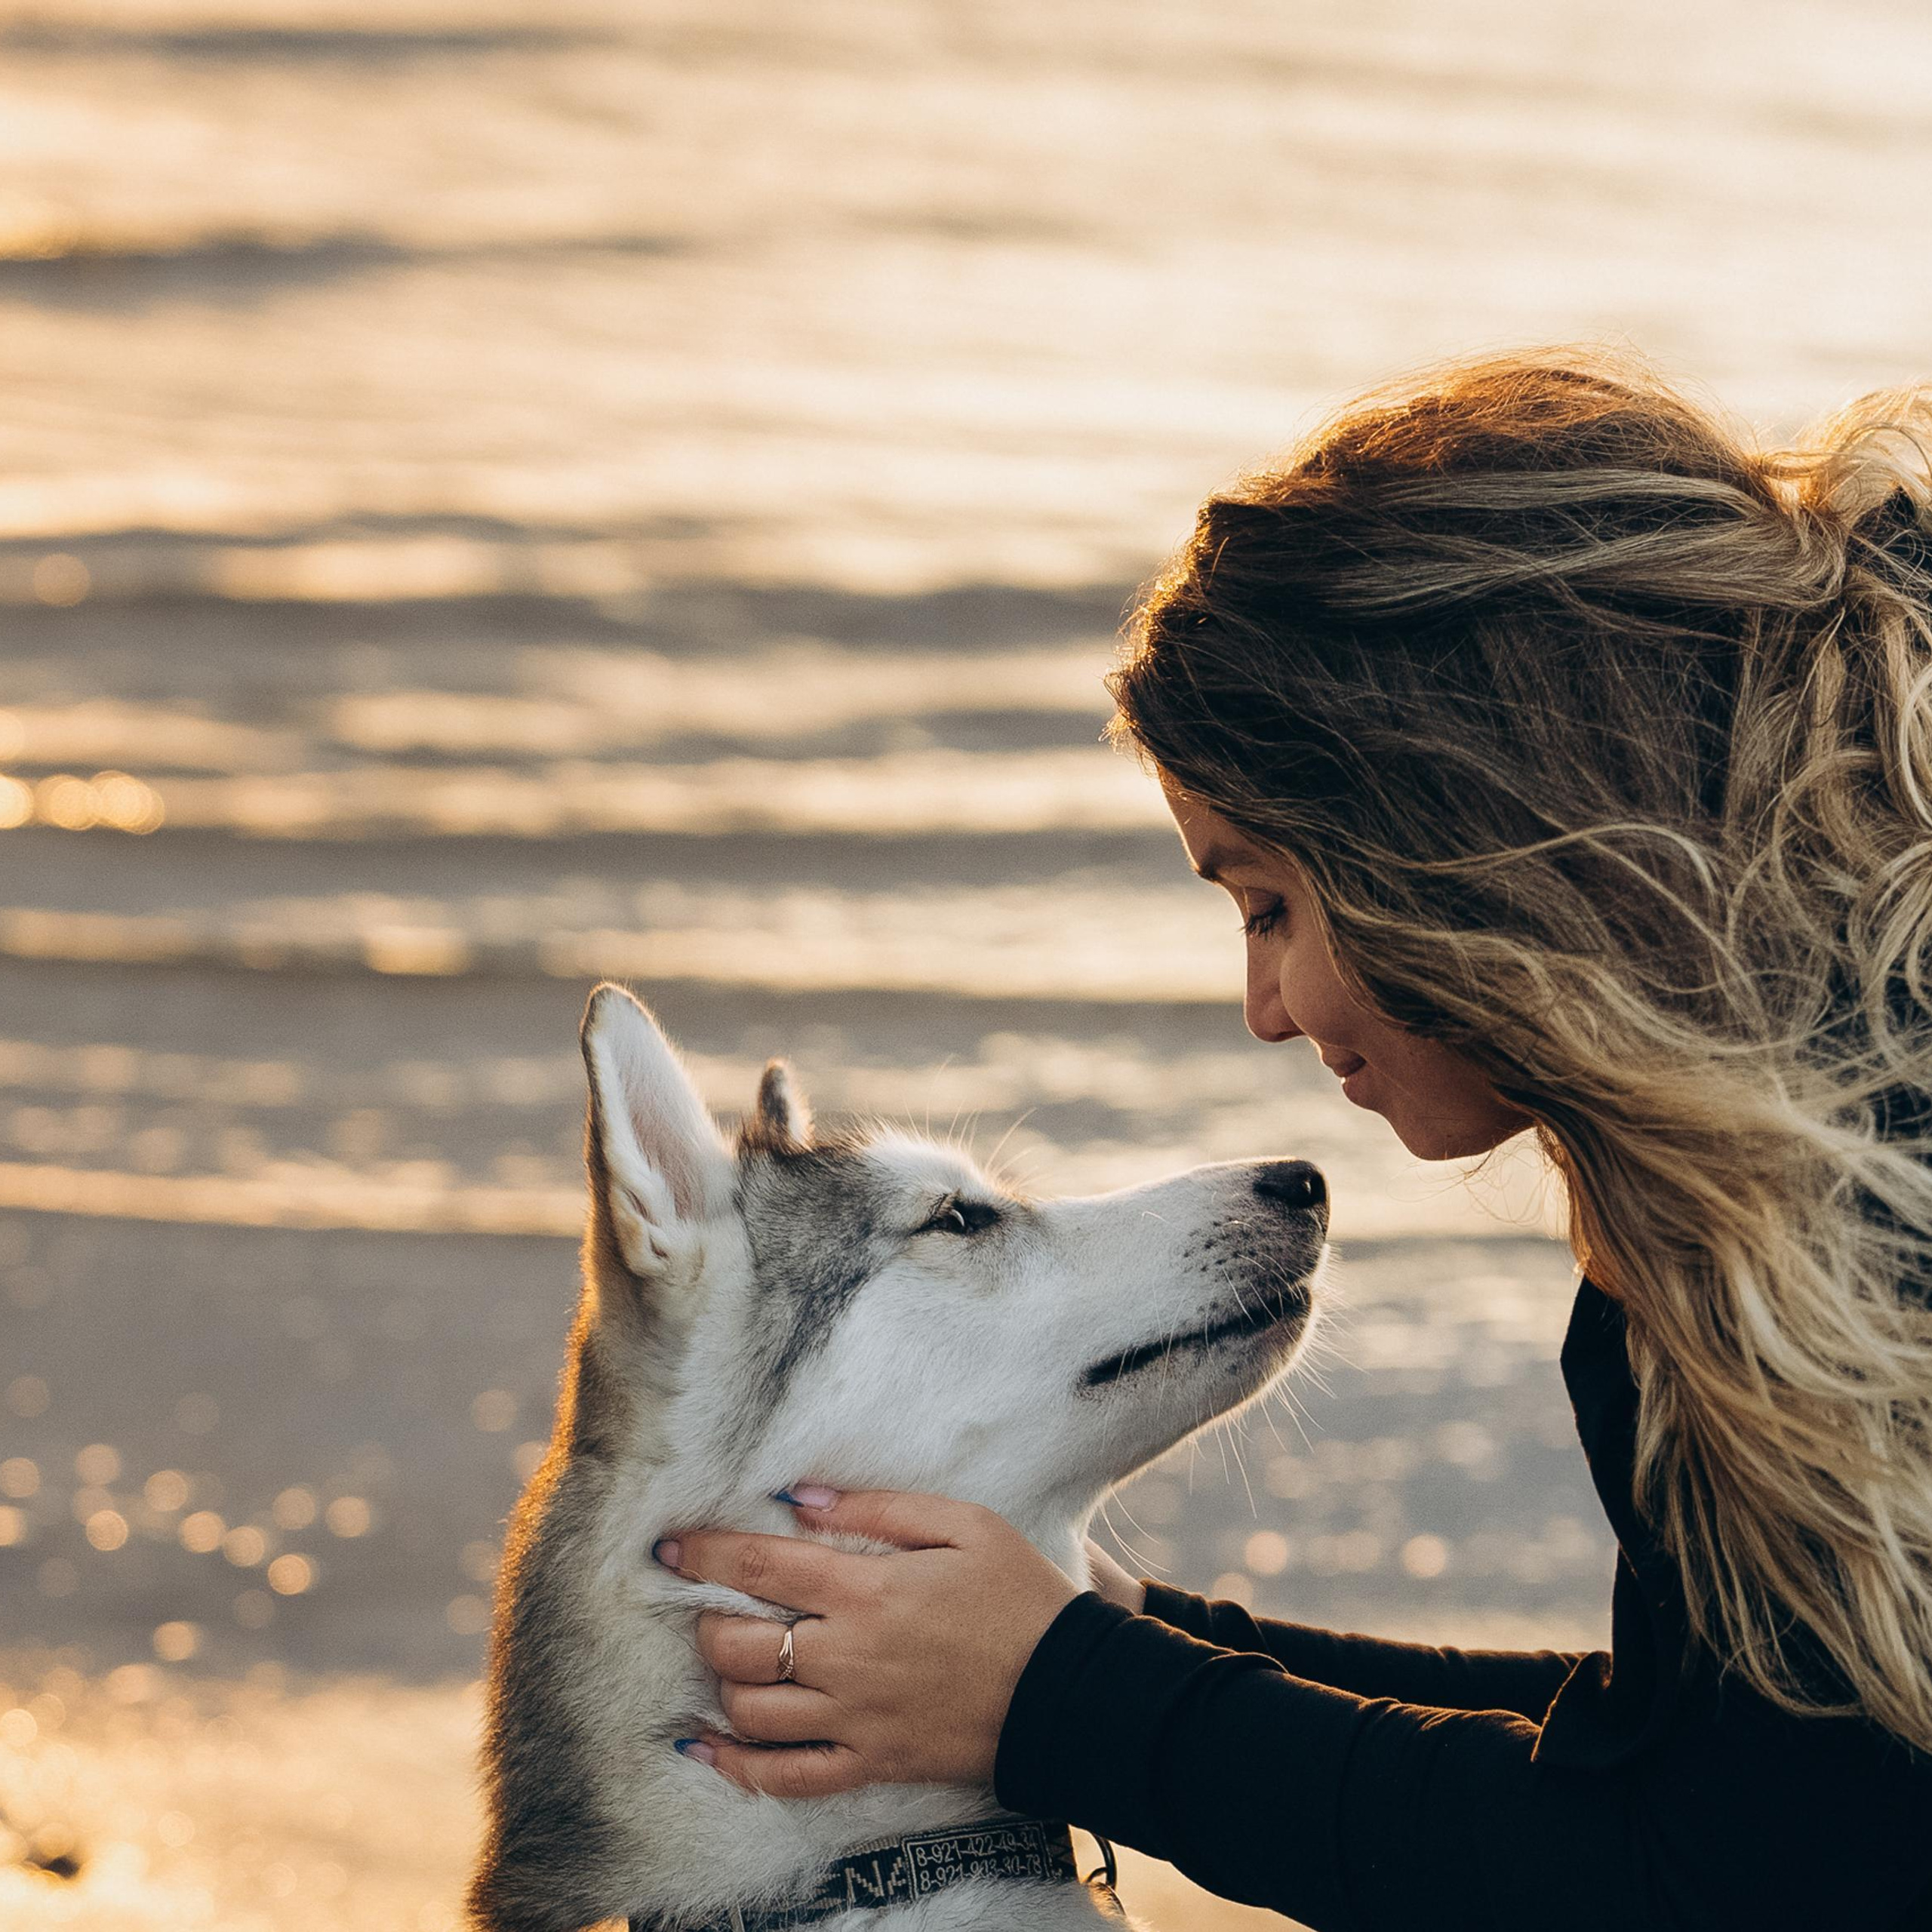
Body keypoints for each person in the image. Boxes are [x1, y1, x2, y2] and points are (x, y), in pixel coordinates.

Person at [650, 347, 1932, 1929]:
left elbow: (1708, 1885)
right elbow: (1746, 1777)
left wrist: (1065, 1698)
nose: (1264, 1006)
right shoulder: (1831, 1161)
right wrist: (1119, 1639)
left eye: (1267, 904)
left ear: (1450, 837)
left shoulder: (1852, 1243)